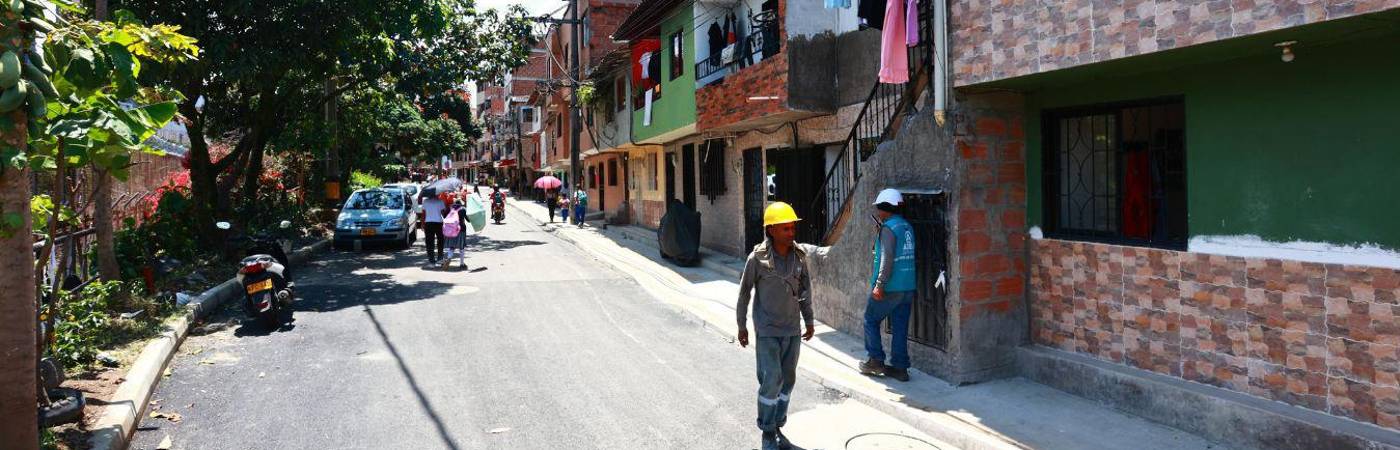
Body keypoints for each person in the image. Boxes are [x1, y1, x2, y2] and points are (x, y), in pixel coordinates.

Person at [736, 202, 816, 450]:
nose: (791, 233)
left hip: (791, 330)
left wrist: (809, 320)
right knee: (772, 379)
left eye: (792, 228)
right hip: (768, 330)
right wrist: (742, 325)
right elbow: (744, 293)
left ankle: (779, 424)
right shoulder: (757, 259)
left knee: (788, 380)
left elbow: (805, 292)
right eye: (785, 229)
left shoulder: (799, 257)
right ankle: (767, 431)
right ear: (771, 230)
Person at [859, 188, 918, 382]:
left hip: (890, 286)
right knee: (900, 326)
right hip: (907, 285)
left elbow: (887, 258)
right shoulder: (906, 226)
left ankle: (876, 360)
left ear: (886, 207)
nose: (877, 212)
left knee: (870, 319)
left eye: (879, 208)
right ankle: (900, 368)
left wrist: (879, 284)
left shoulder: (888, 228)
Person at [441, 196, 470, 269]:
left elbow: (444, 216)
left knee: (452, 247)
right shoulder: (463, 209)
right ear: (461, 204)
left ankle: (448, 259)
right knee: (461, 247)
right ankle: (462, 264)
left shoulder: (450, 209)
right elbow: (468, 220)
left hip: (451, 231)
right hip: (461, 230)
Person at [421, 191, 447, 265]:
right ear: (437, 194)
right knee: (440, 241)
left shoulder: (425, 202)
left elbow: (423, 214)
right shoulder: (440, 202)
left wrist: (422, 224)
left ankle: (431, 260)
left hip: (428, 223)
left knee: (429, 242)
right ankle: (440, 257)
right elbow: (443, 213)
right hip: (439, 223)